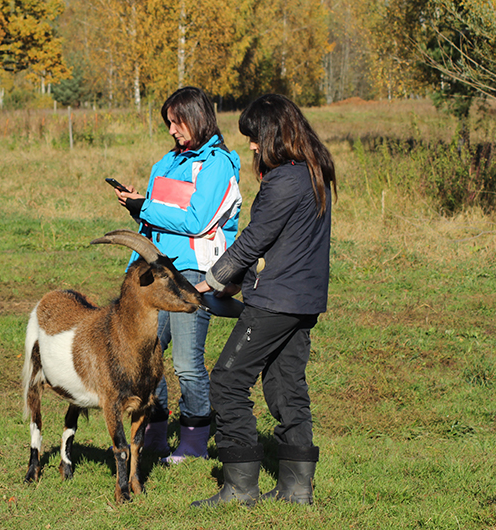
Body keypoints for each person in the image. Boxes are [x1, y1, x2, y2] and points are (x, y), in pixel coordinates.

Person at [191, 94, 337, 507]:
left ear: (273, 134)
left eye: (255, 137)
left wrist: (212, 280)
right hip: (304, 299)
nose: (252, 145)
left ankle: (239, 488)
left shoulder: (285, 179)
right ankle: (296, 489)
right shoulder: (313, 172)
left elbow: (254, 240)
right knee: (285, 385)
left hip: (275, 301)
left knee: (227, 380)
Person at [113, 86, 242, 463]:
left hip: (192, 275)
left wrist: (146, 206)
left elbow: (197, 222)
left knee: (187, 362)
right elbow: (155, 221)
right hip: (155, 273)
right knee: (147, 356)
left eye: (177, 121)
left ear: (197, 117)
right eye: (168, 123)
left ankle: (193, 441)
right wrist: (136, 207)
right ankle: (154, 434)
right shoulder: (165, 164)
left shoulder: (217, 164)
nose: (171, 129)